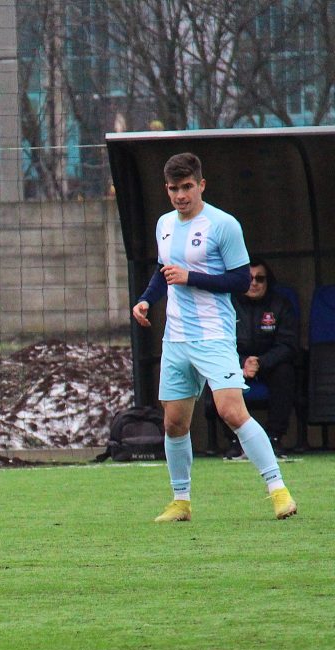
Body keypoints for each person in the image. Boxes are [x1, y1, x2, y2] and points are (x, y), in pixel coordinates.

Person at [131, 153, 297, 522]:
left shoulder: (223, 225)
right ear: (167, 189)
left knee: (231, 411)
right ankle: (181, 501)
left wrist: (191, 277)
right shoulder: (164, 224)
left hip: (213, 335)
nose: (180, 195)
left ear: (201, 185)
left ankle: (278, 490)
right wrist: (145, 300)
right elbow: (163, 272)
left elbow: (240, 280)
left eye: (187, 187)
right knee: (174, 422)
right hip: (176, 339)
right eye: (173, 189)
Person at [212, 258, 299, 458]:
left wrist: (261, 362)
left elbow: (288, 344)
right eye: (248, 278)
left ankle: (274, 439)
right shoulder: (226, 305)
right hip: (236, 364)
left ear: (268, 281)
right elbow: (216, 342)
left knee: (285, 372)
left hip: (269, 364)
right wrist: (242, 363)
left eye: (260, 279)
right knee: (218, 372)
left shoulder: (281, 304)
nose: (254, 283)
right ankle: (235, 442)